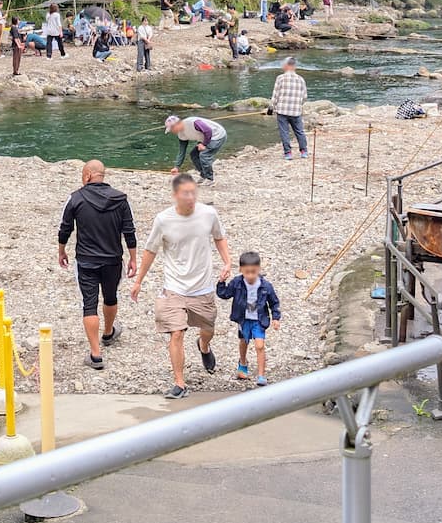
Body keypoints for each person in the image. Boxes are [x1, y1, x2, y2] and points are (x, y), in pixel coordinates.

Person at [131, 174, 233, 399]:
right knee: (176, 333)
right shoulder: (163, 220)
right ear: (175, 195)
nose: (190, 197)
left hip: (202, 287)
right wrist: (139, 281)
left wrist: (227, 261)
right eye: (185, 193)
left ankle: (204, 346)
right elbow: (151, 251)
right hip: (174, 287)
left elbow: (219, 237)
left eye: (193, 192)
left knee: (208, 329)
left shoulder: (209, 214)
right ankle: (179, 382)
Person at [57, 161, 138, 370]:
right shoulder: (120, 199)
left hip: (86, 260)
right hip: (113, 259)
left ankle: (95, 354)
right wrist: (133, 258)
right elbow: (129, 230)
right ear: (102, 175)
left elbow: (65, 227)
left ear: (87, 175)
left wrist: (62, 250)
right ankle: (108, 332)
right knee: (111, 297)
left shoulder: (76, 198)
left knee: (89, 304)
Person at [219, 251, 281, 386]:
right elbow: (224, 294)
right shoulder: (237, 283)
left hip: (259, 319)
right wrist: (221, 282)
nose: (250, 275)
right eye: (247, 272)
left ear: (259, 269)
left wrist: (276, 317)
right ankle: (242, 362)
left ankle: (261, 375)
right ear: (241, 270)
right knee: (244, 341)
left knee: (260, 345)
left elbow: (274, 302)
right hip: (243, 318)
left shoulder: (265, 286)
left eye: (254, 272)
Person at [165, 114, 227, 183]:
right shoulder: (181, 135)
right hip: (204, 138)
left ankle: (209, 179)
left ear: (176, 125)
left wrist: (204, 144)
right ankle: (204, 175)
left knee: (204, 155)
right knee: (194, 154)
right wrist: (177, 166)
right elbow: (182, 151)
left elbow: (208, 131)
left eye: (171, 129)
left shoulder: (192, 122)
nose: (172, 131)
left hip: (217, 135)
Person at [271, 57, 309, 160]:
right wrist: (298, 104)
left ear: (288, 65)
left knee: (284, 132)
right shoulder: (301, 79)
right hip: (296, 111)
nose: (282, 66)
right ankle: (304, 151)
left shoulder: (280, 78)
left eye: (283, 64)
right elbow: (304, 97)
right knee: (299, 131)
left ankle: (288, 153)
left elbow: (275, 95)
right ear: (294, 66)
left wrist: (271, 108)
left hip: (282, 110)